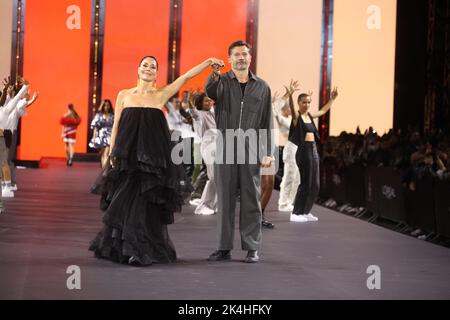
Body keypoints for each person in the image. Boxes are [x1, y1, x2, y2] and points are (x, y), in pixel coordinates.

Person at [89, 55, 224, 266]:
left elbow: (187, 76)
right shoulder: (124, 95)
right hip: (127, 157)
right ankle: (124, 247)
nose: (148, 68)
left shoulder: (162, 94)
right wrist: (113, 153)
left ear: (156, 73)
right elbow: (116, 125)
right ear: (138, 69)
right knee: (124, 201)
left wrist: (208, 62)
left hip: (152, 159)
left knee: (142, 203)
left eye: (153, 66)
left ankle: (137, 250)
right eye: (145, 65)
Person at [205, 40, 274, 263]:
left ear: (250, 58)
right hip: (225, 145)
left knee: (251, 198)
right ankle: (223, 247)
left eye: (244, 54)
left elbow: (267, 121)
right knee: (224, 199)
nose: (241, 58)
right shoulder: (222, 82)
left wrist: (268, 151)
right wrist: (214, 74)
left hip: (252, 147)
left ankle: (252, 247)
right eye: (236, 55)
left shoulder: (262, 87)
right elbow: (210, 91)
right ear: (230, 59)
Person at [286, 80, 338, 222]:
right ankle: (296, 213)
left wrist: (332, 99)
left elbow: (322, 111)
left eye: (309, 102)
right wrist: (290, 95)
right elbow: (291, 106)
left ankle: (305, 211)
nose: (307, 105)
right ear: (299, 103)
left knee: (315, 184)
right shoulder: (297, 117)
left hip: (313, 150)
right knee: (305, 183)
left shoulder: (309, 116)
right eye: (304, 102)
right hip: (303, 151)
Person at [89, 99, 114, 169]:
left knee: (106, 153)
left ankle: (105, 170)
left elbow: (116, 126)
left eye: (108, 105)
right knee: (103, 154)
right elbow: (95, 127)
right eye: (105, 105)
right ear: (102, 106)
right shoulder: (99, 115)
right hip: (101, 135)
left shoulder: (113, 115)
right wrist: (94, 138)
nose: (106, 107)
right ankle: (104, 169)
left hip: (110, 135)